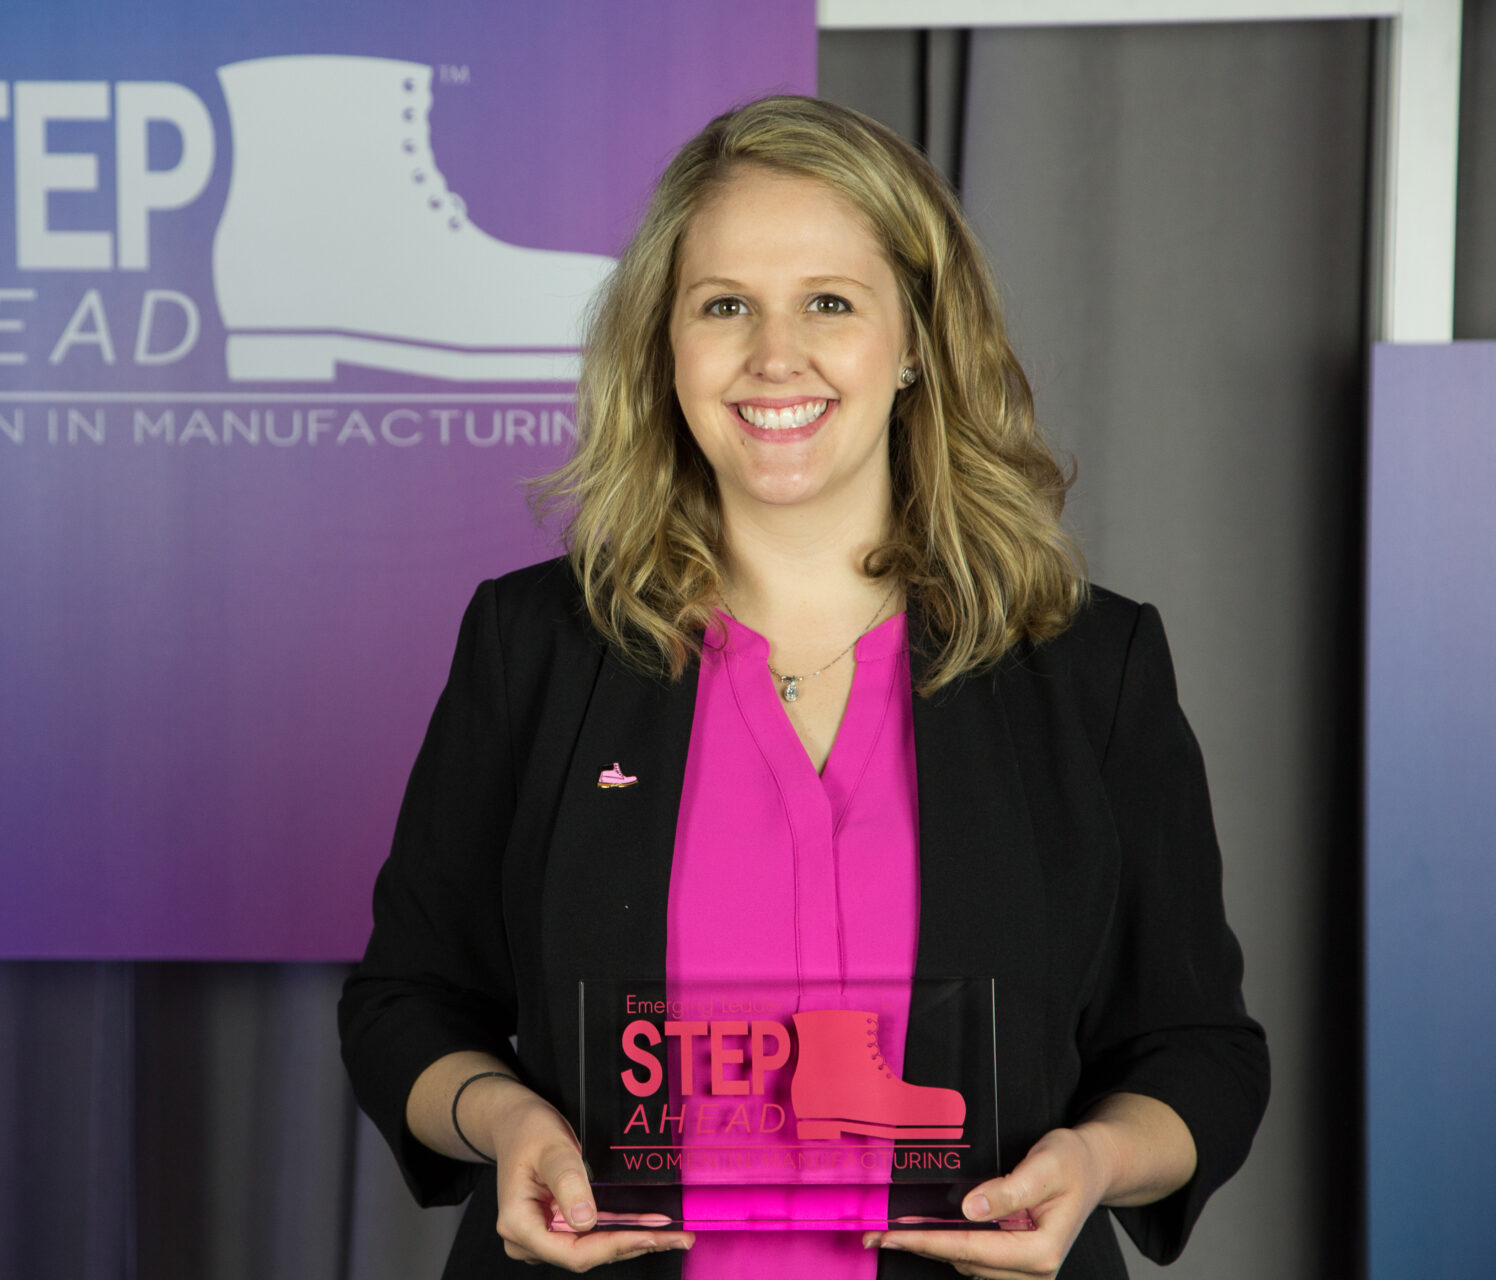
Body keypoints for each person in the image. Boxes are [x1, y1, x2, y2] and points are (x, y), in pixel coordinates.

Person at [339, 96, 1268, 1279]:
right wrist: (504, 1121)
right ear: (664, 346)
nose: (775, 355)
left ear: (917, 339)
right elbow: (405, 1005)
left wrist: (1093, 1159)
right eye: (725, 305)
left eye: (829, 301)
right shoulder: (535, 646)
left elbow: (1199, 1050)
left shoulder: (1087, 665)